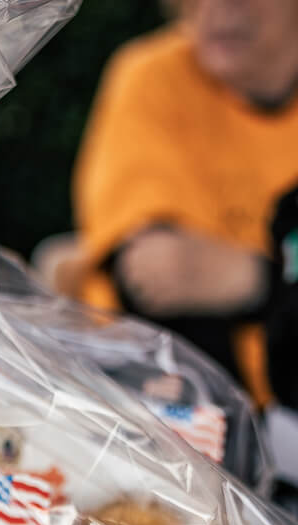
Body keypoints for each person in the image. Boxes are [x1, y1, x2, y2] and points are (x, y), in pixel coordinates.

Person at [72, 0, 298, 411]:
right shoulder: (154, 76)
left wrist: (254, 279)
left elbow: (205, 276)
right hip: (161, 403)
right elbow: (156, 274)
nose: (218, 9)